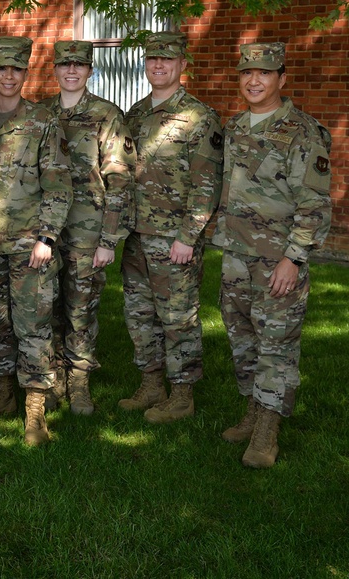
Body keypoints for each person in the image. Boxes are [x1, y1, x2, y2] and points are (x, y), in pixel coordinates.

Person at [212, 42, 332, 468]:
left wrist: (294, 258)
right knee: (242, 337)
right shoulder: (237, 127)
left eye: (264, 73)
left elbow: (314, 203)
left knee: (276, 343)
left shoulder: (303, 131)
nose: (254, 80)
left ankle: (268, 430)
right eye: (247, 73)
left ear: (282, 78)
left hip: (277, 258)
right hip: (236, 254)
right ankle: (253, 409)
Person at [0, 36, 72, 446]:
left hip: (31, 245)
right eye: (1, 69)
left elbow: (59, 187)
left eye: (17, 69)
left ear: (26, 74)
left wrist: (46, 237)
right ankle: (1, 394)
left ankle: (35, 409)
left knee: (34, 325)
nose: (9, 76)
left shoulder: (43, 121)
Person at [119, 31, 223, 423]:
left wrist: (188, 236)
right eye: (152, 60)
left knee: (178, 317)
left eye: (167, 60)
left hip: (174, 240)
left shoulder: (199, 117)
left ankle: (182, 394)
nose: (158, 66)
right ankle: (151, 383)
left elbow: (207, 183)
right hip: (136, 234)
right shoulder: (136, 114)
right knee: (140, 313)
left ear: (182, 66)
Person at [42, 41, 134, 416]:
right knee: (48, 306)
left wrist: (109, 239)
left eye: (79, 65)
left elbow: (119, 177)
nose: (71, 71)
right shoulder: (42, 112)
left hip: (87, 229)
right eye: (65, 65)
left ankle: (79, 382)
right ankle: (53, 378)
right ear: (55, 70)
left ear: (89, 71)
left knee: (81, 307)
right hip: (47, 228)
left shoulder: (105, 114)